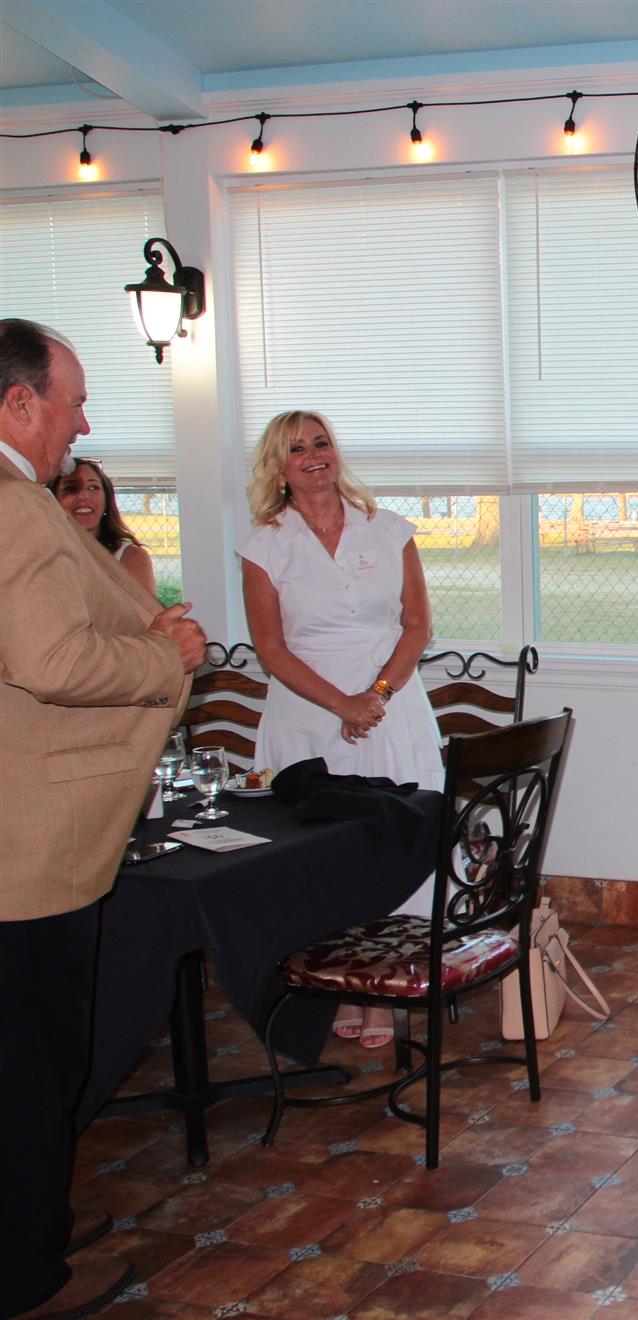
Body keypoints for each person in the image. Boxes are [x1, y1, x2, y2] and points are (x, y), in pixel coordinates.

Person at [0, 319, 205, 1320]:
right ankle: (25, 1274)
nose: (83, 424)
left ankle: (28, 1225)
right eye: (73, 402)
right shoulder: (14, 508)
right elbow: (50, 661)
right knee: (34, 1071)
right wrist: (165, 656)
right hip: (29, 848)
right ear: (17, 402)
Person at [238, 410, 439, 1047]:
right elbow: (271, 649)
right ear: (279, 467)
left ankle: (390, 985)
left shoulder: (389, 529)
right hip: (306, 717)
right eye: (297, 448)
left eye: (321, 443)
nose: (313, 456)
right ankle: (335, 983)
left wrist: (374, 697)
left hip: (390, 707)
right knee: (321, 855)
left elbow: (417, 626)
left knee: (395, 842)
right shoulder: (264, 546)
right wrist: (341, 705)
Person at [49, 458, 157, 600]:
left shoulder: (130, 557)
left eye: (93, 488)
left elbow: (145, 612)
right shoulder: (41, 554)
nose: (83, 496)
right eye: (71, 488)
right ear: (53, 500)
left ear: (106, 500)